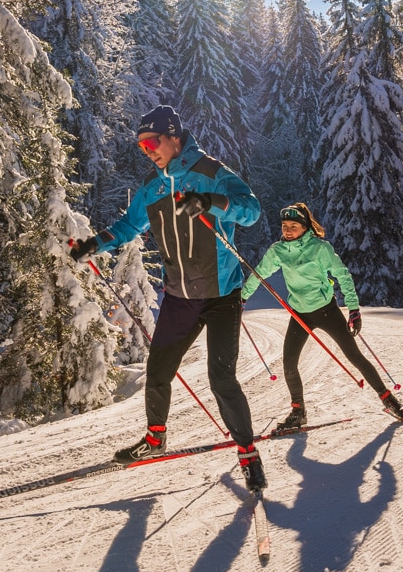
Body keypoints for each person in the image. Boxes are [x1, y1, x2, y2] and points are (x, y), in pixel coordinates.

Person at [69, 105, 268, 491]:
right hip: (179, 296)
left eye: (152, 143)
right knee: (158, 373)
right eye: (142, 146)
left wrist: (210, 202)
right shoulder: (153, 187)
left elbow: (252, 211)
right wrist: (93, 245)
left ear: (174, 136)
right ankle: (156, 439)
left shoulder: (212, 172)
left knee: (221, 379)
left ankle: (248, 453)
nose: (148, 151)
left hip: (222, 294)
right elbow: (129, 226)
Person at [240, 202, 403, 433]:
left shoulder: (320, 248)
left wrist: (354, 309)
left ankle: (388, 399)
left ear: (305, 227)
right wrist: (242, 297)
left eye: (294, 226)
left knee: (355, 356)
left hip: (326, 311)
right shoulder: (278, 250)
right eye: (285, 226)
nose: (288, 230)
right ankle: (298, 412)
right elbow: (259, 272)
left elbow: (343, 275)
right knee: (289, 363)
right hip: (299, 314)